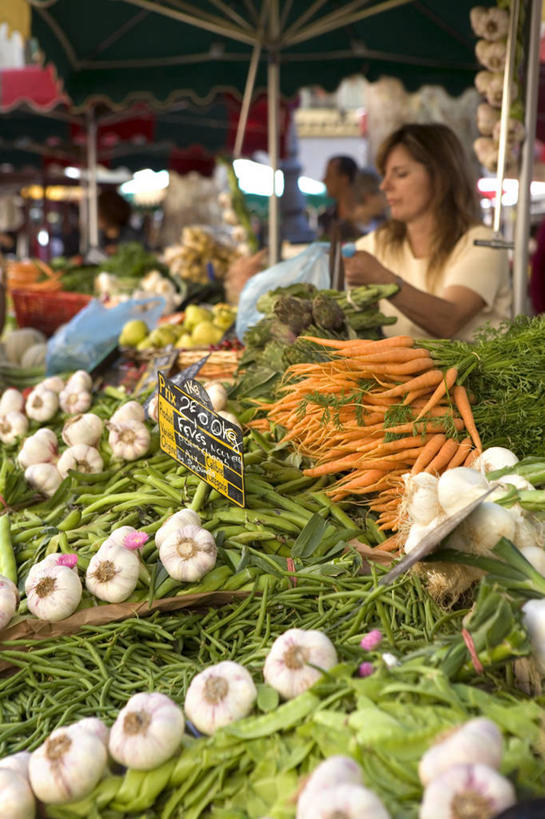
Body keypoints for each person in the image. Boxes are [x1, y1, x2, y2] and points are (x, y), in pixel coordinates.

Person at [344, 123, 512, 340]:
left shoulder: (485, 242)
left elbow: (448, 320)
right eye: (385, 174)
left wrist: (382, 279)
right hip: (401, 374)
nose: (385, 186)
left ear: (440, 177)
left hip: (476, 372)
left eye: (400, 174)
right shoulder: (378, 244)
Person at [318, 155, 361, 241]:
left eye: (329, 175)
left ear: (344, 178)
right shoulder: (325, 218)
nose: (324, 180)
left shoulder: (365, 216)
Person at [98, 189, 143, 255]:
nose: (97, 216)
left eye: (99, 212)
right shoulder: (97, 238)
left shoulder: (133, 237)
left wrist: (121, 251)